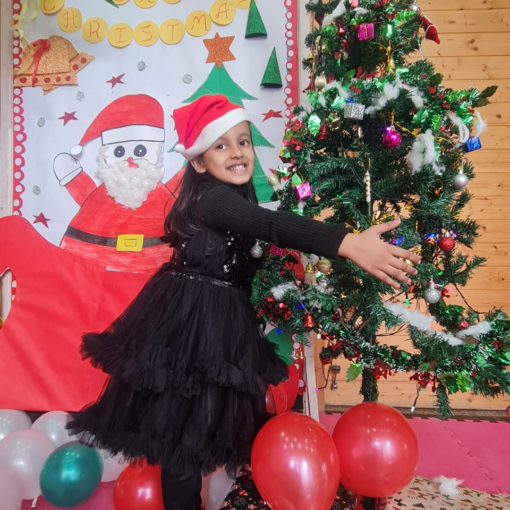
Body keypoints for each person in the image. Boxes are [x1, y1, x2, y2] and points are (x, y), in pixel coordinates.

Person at [66, 95, 420, 510]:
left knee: (195, 439)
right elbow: (273, 225)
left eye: (243, 141)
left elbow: (259, 231)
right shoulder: (213, 200)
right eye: (221, 145)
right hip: (189, 325)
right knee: (181, 445)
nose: (236, 152)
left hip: (219, 321)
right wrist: (347, 243)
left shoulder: (235, 202)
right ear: (198, 162)